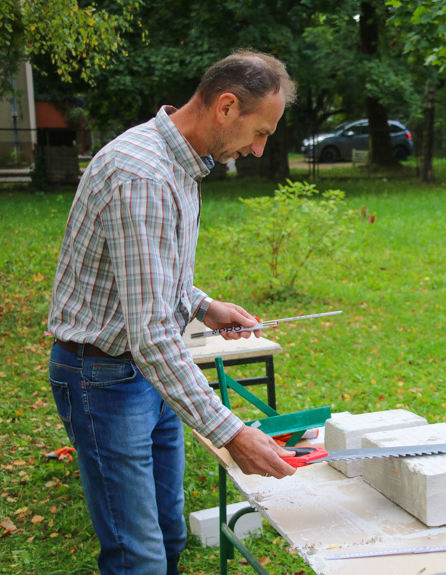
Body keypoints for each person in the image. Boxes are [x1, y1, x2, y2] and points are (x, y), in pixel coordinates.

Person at [48, 50, 298, 575]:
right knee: (136, 554)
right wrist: (231, 432)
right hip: (104, 378)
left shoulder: (180, 164)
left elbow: (151, 277)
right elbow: (153, 335)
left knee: (170, 531)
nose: (258, 150)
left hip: (146, 372)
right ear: (226, 106)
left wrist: (205, 306)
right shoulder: (143, 175)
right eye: (261, 133)